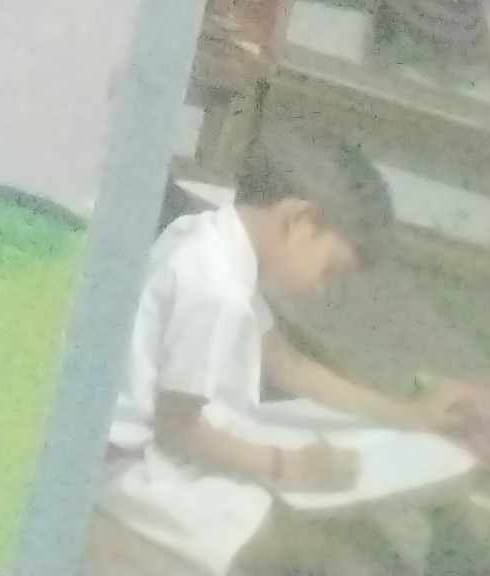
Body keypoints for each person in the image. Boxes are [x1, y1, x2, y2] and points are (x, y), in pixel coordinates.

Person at [90, 129, 468, 575]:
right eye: (329, 270)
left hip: (176, 451)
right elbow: (179, 430)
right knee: (325, 554)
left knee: (332, 528)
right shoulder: (214, 290)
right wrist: (290, 467)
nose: (321, 289)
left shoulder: (214, 239)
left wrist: (405, 414)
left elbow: (287, 364)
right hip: (144, 473)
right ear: (300, 220)